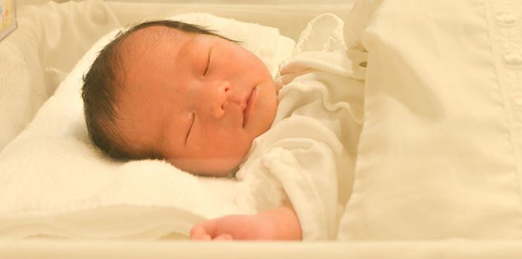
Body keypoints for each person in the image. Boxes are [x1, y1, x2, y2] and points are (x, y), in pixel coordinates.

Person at [81, 18, 364, 241]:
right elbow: (315, 196)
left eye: (206, 65)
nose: (218, 97)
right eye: (189, 126)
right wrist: (274, 228)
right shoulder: (279, 152)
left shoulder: (305, 60)